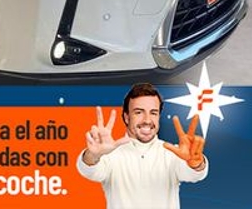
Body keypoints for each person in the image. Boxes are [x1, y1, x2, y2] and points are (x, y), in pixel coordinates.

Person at [77, 82, 207, 208]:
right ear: (127, 117)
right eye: (139, 112)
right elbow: (90, 171)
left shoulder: (173, 153)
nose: (147, 120)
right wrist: (93, 155)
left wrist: (196, 164)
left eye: (153, 113)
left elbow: (193, 175)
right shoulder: (110, 154)